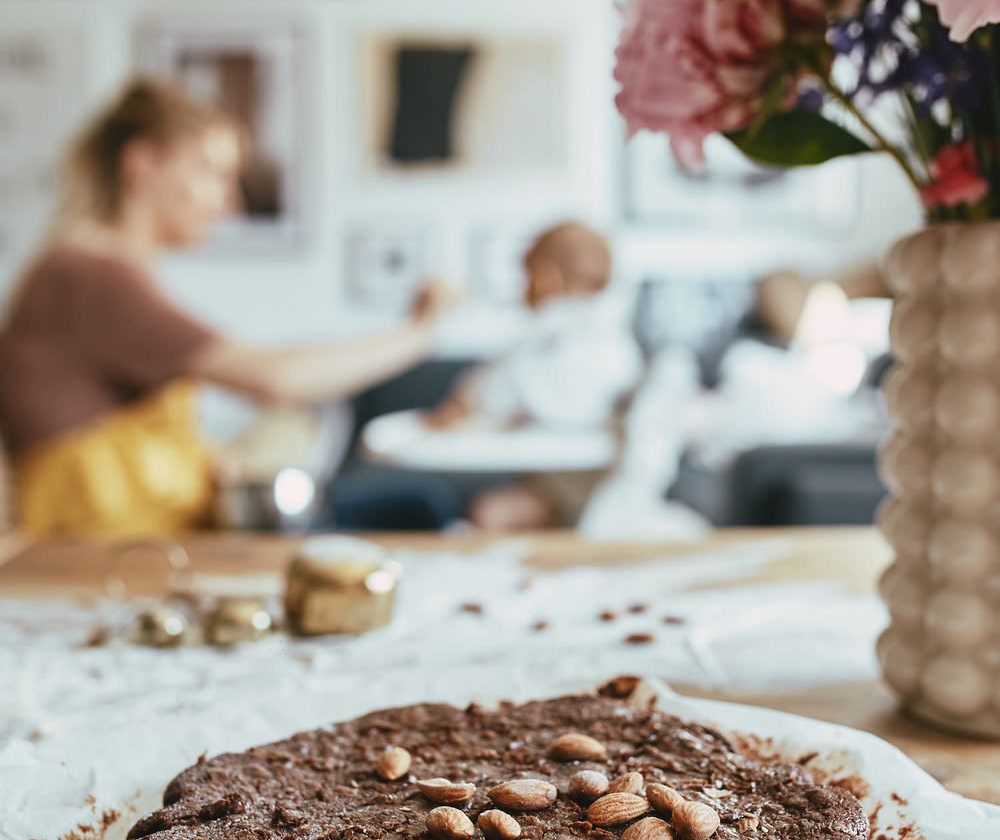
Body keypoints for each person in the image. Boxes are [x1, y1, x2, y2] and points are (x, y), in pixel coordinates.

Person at [0, 78, 454, 537]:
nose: (230, 199)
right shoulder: (90, 277)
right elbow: (276, 379)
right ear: (144, 164)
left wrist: (217, 460)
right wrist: (419, 333)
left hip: (149, 539)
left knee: (410, 505)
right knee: (420, 509)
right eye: (211, 171)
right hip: (111, 557)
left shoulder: (87, 268)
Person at [428, 221, 644, 530]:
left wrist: (453, 410)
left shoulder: (544, 342)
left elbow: (480, 397)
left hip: (566, 489)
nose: (522, 289)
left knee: (489, 513)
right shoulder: (620, 345)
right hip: (609, 487)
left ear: (546, 278)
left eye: (526, 277)